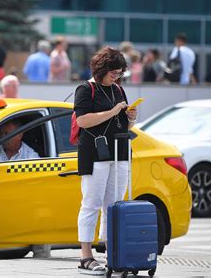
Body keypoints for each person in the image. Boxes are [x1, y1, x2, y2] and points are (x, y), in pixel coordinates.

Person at [74, 47, 137, 275]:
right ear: (102, 69)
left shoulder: (119, 89)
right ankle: (86, 256)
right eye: (113, 72)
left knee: (114, 206)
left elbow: (124, 126)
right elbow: (82, 121)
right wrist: (112, 111)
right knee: (91, 203)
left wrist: (131, 118)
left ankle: (113, 254)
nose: (116, 77)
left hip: (119, 153)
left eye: (119, 73)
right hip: (94, 155)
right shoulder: (86, 89)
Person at [0, 120, 50, 258]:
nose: (3, 137)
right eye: (2, 133)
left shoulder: (30, 156)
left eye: (8, 133)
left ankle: (41, 255)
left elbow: (39, 183)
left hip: (24, 202)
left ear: (20, 135)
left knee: (41, 213)